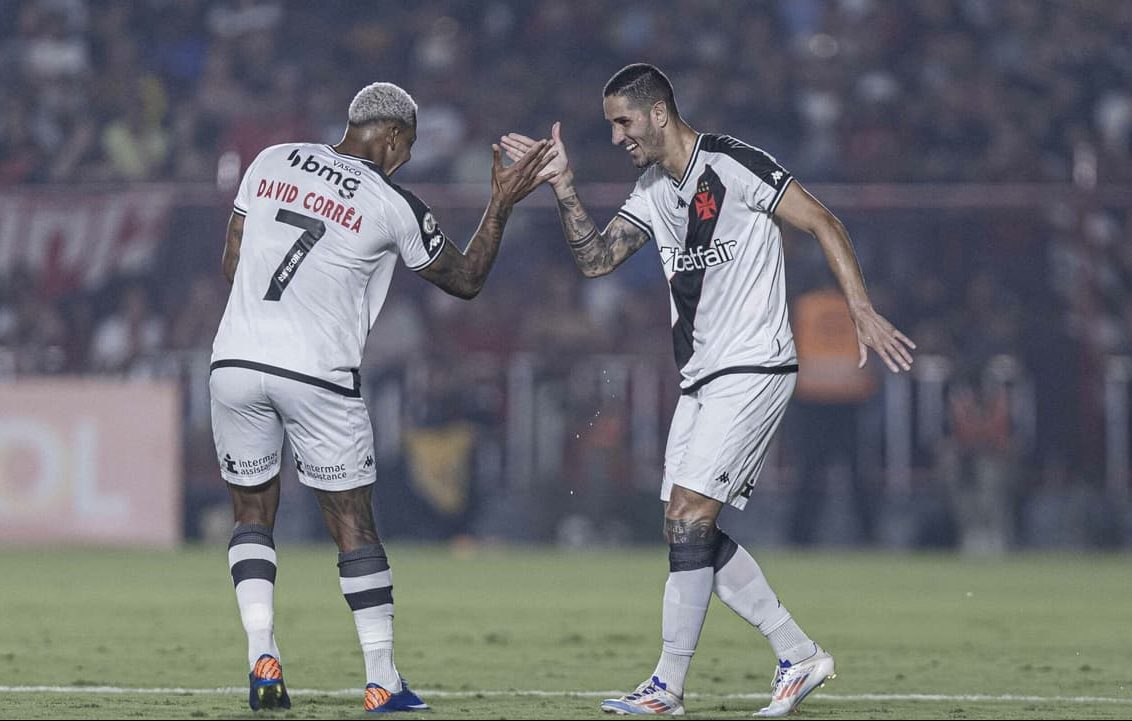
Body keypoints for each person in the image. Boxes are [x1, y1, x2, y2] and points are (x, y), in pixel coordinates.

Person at [502, 63, 915, 717]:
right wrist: (563, 186)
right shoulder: (651, 189)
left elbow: (823, 220)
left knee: (691, 513)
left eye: (623, 122)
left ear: (659, 113)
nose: (616, 137)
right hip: (701, 376)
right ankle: (797, 651)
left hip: (754, 366)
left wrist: (859, 306)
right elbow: (597, 259)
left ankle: (667, 686)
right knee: (684, 526)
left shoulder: (733, 165)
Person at [210, 81, 554, 713]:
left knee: (252, 514)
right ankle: (381, 680)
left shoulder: (271, 158)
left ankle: (263, 657)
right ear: (393, 135)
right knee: (352, 525)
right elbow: (467, 279)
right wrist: (501, 200)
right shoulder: (392, 200)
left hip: (233, 360)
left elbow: (232, 261)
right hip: (316, 373)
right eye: (409, 147)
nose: (407, 159)